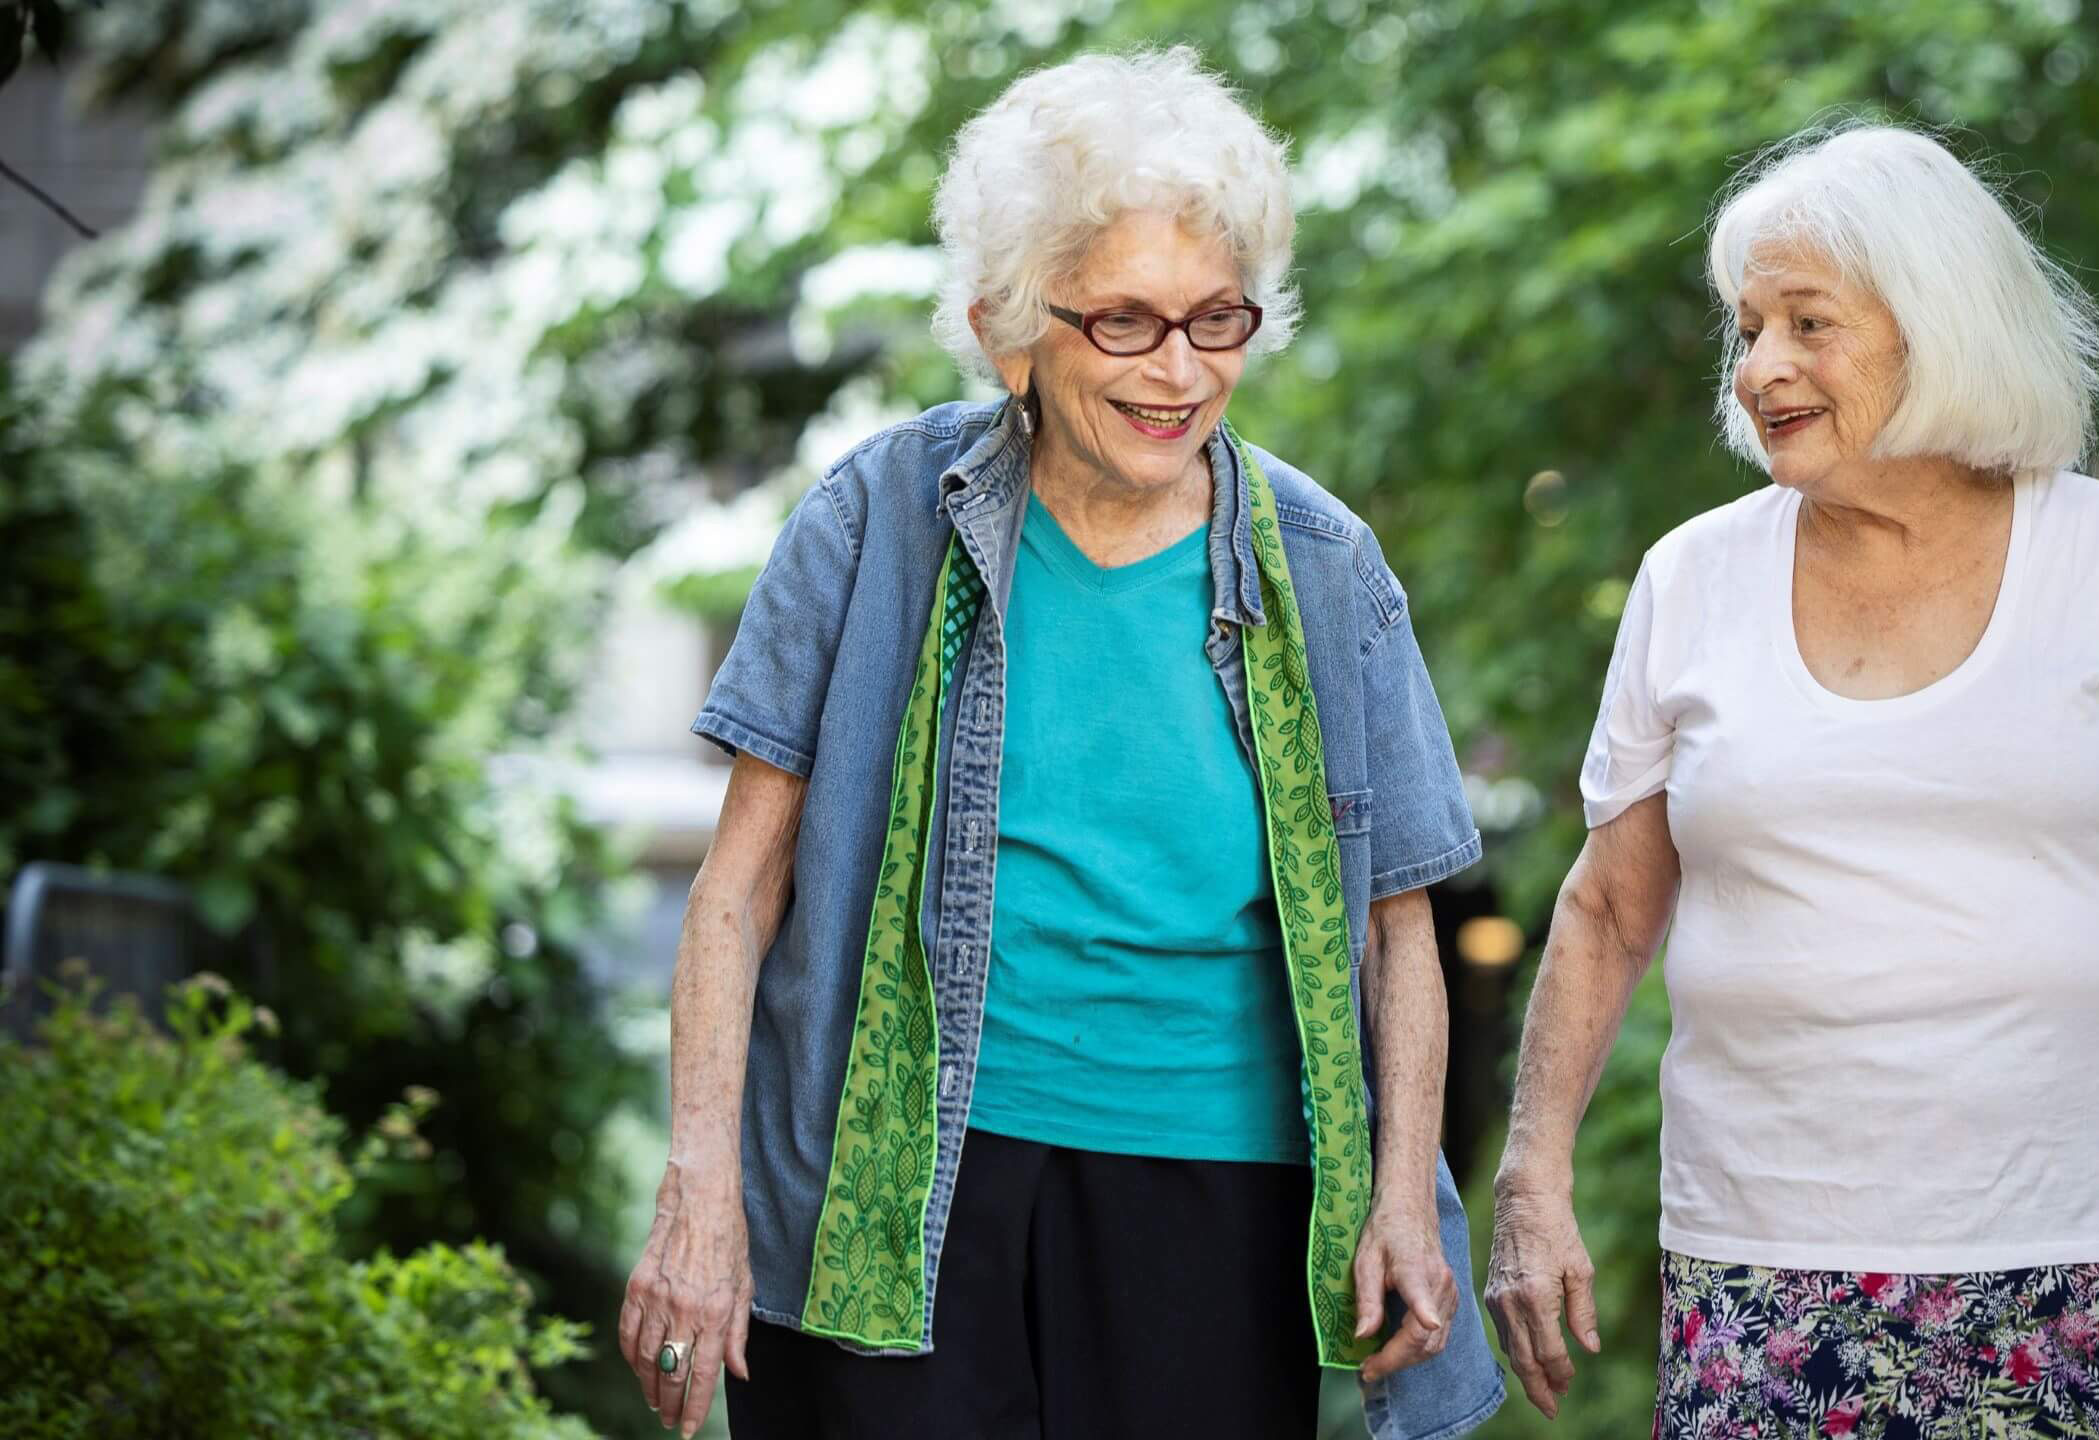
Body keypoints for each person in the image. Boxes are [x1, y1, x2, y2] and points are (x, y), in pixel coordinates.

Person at [615, 47, 1504, 1440]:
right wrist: (699, 1193)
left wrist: (1402, 1196)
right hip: (901, 1179)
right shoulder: (874, 523)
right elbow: (733, 895)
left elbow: (1402, 932)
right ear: (1008, 327)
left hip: (1213, 1193)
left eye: (1217, 321)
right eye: (1126, 324)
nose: (1181, 372)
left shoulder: (1324, 570)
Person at [1483, 122, 2099, 1438]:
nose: (1761, 366)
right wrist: (1530, 1184)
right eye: (1746, 328)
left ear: (1940, 326)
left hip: (2085, 1255)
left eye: (1806, 323)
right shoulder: (1691, 580)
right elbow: (1604, 910)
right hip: (1763, 1270)